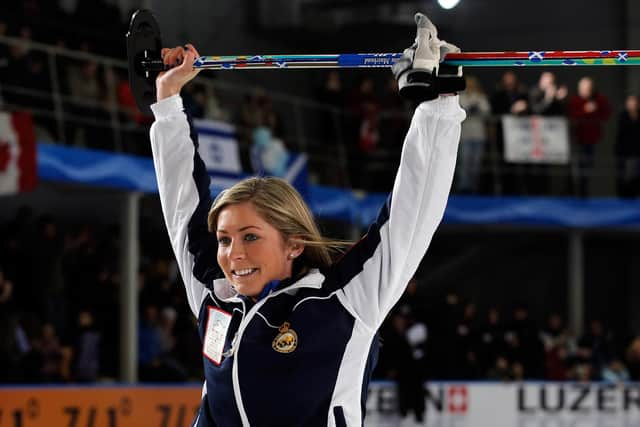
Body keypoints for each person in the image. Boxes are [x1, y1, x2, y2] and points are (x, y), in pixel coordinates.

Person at [149, 13, 465, 426]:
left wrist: (439, 104)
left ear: (294, 244)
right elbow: (182, 206)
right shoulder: (216, 296)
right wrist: (168, 101)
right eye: (224, 239)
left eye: (250, 237)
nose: (232, 254)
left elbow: (413, 213)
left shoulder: (343, 301)